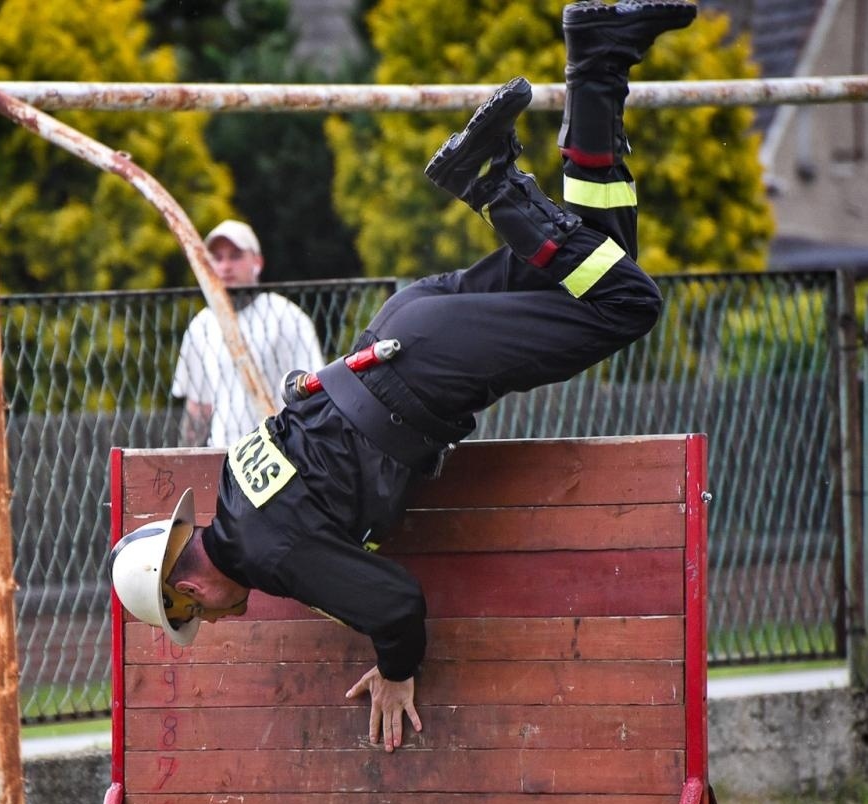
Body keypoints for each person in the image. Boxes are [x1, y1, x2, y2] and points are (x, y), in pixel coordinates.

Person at [113, 0, 695, 751]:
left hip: (425, 370)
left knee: (626, 303)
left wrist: (397, 668)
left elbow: (394, 605)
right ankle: (598, 57)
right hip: (404, 329)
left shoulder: (273, 556)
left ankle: (489, 182)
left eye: (202, 613)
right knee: (598, 254)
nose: (228, 618)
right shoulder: (236, 486)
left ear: (188, 586)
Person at [171, 219, 325, 447]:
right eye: (217, 258)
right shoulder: (201, 325)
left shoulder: (286, 317)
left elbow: (313, 395)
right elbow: (198, 408)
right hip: (222, 455)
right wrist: (184, 462)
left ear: (257, 262)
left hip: (280, 453)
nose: (225, 266)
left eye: (235, 256)